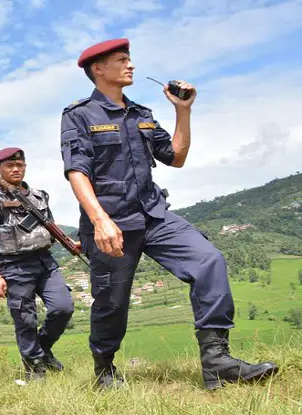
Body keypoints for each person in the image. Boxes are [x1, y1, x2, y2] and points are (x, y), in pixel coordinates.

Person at [59, 38, 278, 390]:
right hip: (112, 221)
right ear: (98, 69)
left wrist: (183, 110)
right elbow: (76, 170)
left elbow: (175, 157)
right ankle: (105, 370)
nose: (130, 65)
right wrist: (100, 220)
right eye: (122, 60)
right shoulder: (79, 114)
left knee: (209, 261)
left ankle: (217, 362)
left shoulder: (142, 114)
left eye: (129, 59)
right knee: (111, 302)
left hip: (154, 215)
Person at [0, 147, 75, 381]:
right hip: (14, 265)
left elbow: (49, 224)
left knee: (63, 307)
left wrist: (69, 242)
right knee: (25, 318)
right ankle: (34, 367)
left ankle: (42, 348)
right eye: (9, 165)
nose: (15, 169)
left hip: (44, 260)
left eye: (19, 165)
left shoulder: (39, 195)